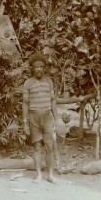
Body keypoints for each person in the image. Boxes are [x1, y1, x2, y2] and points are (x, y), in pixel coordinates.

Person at [22, 52, 58, 183]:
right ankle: (39, 175)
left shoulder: (49, 82)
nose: (39, 69)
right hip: (33, 117)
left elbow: (53, 100)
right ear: (32, 68)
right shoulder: (27, 83)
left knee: (49, 146)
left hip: (47, 117)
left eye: (41, 67)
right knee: (37, 146)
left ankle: (50, 175)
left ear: (44, 68)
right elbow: (25, 103)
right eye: (36, 67)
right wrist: (25, 122)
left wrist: (56, 118)